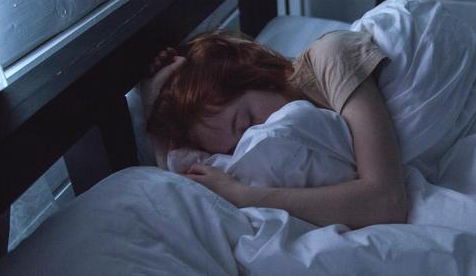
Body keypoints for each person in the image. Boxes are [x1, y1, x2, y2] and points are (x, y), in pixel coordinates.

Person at [140, 30, 407, 229]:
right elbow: (181, 185)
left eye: (246, 122)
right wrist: (154, 103)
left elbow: (386, 201)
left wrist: (243, 196)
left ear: (256, 75)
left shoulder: (331, 57)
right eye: (235, 149)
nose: (257, 140)